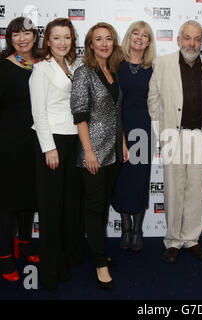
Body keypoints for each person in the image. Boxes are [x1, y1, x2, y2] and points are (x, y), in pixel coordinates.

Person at [148, 20, 202, 264]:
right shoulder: (163, 63)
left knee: (196, 191)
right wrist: (162, 133)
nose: (192, 43)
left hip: (200, 136)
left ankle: (192, 239)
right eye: (187, 38)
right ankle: (173, 241)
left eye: (197, 39)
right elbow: (153, 101)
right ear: (178, 40)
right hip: (173, 137)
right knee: (174, 190)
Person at [71, 22, 128, 290]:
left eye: (108, 39)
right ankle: (99, 264)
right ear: (90, 44)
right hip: (93, 154)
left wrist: (124, 144)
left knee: (102, 205)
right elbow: (80, 117)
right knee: (94, 208)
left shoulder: (112, 71)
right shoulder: (84, 73)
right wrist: (90, 152)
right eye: (98, 39)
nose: (104, 43)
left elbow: (117, 113)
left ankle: (99, 250)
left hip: (114, 153)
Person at [29, 17, 83, 291]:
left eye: (67, 37)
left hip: (73, 141)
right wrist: (48, 147)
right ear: (47, 41)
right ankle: (51, 269)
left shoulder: (73, 66)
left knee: (71, 203)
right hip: (53, 145)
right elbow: (39, 113)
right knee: (51, 208)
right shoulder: (41, 70)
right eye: (57, 37)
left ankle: (69, 257)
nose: (63, 42)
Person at [0, 17, 40, 282]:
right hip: (8, 142)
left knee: (30, 194)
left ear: (35, 37)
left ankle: (24, 242)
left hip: (37, 142)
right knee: (7, 201)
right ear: (9, 38)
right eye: (16, 34)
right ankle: (4, 256)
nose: (22, 38)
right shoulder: (3, 67)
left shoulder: (43, 65)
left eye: (27, 33)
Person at [111, 21, 156, 253]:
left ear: (149, 42)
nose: (140, 38)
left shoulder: (153, 67)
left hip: (143, 129)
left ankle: (137, 230)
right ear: (129, 37)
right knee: (120, 178)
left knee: (140, 179)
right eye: (136, 34)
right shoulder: (115, 64)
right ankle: (125, 227)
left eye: (145, 35)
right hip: (119, 127)